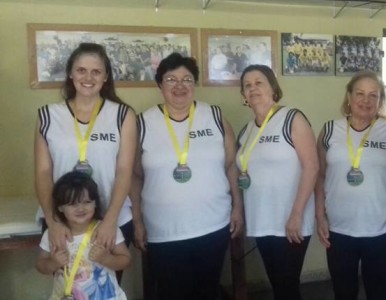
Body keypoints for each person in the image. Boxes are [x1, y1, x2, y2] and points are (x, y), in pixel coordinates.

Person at [131, 52, 244, 299]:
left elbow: (230, 165)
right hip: (163, 230)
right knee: (173, 292)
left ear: (195, 84)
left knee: (208, 291)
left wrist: (237, 207)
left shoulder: (214, 116)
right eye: (171, 79)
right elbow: (135, 176)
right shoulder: (143, 123)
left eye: (187, 79)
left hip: (213, 225)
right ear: (159, 84)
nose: (180, 86)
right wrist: (137, 221)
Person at [34, 42, 137, 281]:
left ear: (106, 76)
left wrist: (110, 220)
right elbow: (42, 172)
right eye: (81, 70)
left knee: (105, 287)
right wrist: (53, 222)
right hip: (63, 220)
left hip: (112, 219)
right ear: (71, 73)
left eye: (96, 71)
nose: (88, 77)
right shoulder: (47, 115)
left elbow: (124, 170)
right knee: (70, 287)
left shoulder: (122, 114)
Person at [315, 70, 386, 300]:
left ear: (380, 101)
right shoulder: (329, 130)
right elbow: (320, 177)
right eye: (360, 93)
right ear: (349, 97)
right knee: (343, 291)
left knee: (378, 291)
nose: (365, 101)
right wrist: (320, 217)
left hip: (381, 227)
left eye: (373, 95)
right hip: (339, 228)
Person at [237, 64, 318, 300]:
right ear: (243, 95)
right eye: (247, 85)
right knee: (278, 284)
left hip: (290, 222)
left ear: (273, 87)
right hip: (262, 221)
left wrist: (296, 214)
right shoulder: (247, 130)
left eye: (259, 82)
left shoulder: (292, 118)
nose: (253, 89)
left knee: (286, 286)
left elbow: (312, 167)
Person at [36, 171, 131, 300]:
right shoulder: (53, 235)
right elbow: (40, 265)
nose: (80, 208)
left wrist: (106, 259)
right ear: (60, 207)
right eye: (72, 204)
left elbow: (125, 260)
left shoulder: (105, 231)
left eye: (86, 202)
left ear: (95, 203)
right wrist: (53, 262)